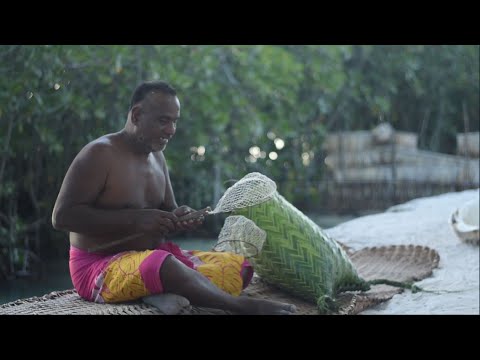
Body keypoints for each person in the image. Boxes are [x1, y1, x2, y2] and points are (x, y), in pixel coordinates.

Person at [52, 80, 296, 315]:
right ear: (136, 116)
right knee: (162, 265)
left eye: (174, 122)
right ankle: (239, 307)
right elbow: (62, 217)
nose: (171, 130)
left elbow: (170, 209)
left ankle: (154, 292)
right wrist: (136, 220)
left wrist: (182, 217)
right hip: (98, 267)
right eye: (163, 121)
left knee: (236, 267)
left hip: (152, 257)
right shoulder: (99, 154)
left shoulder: (158, 157)